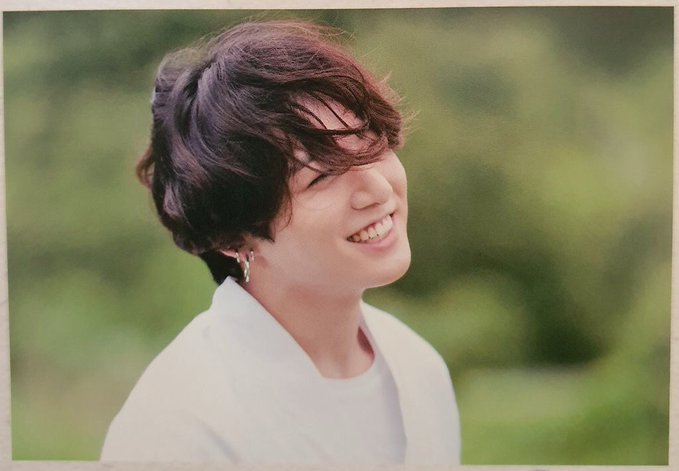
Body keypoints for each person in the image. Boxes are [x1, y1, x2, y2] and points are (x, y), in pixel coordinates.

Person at [101, 19, 461, 465]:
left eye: (372, 144)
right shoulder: (178, 432)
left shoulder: (419, 367)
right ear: (232, 234)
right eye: (321, 177)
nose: (377, 188)